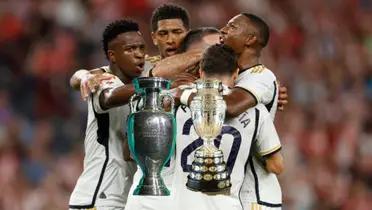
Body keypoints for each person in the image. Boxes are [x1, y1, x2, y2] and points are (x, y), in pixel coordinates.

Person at [178, 13, 285, 209]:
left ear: (251, 39)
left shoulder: (260, 76)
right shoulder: (235, 75)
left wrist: (185, 94)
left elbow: (232, 106)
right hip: (230, 190)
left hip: (255, 193)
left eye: (232, 27)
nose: (223, 30)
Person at [69, 19, 145, 210]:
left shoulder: (139, 80)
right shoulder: (101, 80)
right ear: (112, 55)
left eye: (141, 48)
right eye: (130, 49)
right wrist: (83, 75)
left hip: (124, 196)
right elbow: (108, 97)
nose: (139, 55)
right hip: (97, 196)